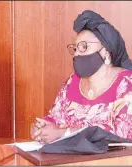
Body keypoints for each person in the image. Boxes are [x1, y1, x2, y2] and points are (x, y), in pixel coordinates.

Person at [31, 10, 132, 144]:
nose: (76, 54)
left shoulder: (126, 84)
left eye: (83, 47)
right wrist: (42, 128)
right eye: (75, 48)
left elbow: (122, 135)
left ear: (106, 52)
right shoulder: (72, 82)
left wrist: (63, 133)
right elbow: (55, 119)